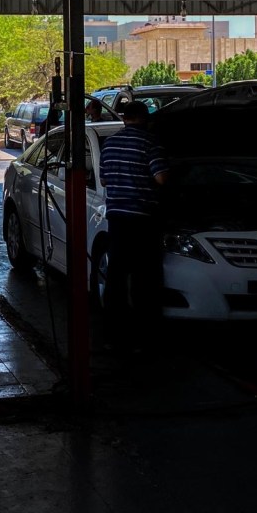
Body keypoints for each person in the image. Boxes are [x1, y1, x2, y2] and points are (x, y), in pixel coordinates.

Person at [98, 100, 169, 353]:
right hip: (143, 219)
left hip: (117, 219)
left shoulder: (109, 144)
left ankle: (113, 337)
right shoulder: (150, 143)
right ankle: (143, 340)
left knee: (116, 276)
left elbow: (103, 180)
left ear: (124, 118)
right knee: (144, 279)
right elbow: (161, 178)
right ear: (145, 118)